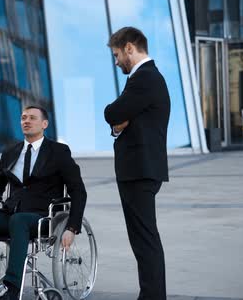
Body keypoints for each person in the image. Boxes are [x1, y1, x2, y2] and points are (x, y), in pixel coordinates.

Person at [0, 106, 87, 300]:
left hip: (43, 217)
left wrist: (72, 227)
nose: (26, 121)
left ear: (44, 124)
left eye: (32, 118)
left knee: (19, 220)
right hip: (11, 214)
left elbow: (78, 190)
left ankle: (12, 289)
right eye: (23, 118)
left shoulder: (58, 151)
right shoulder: (11, 151)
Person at [104, 26, 170, 300]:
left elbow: (113, 112)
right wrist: (119, 124)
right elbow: (120, 120)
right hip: (139, 169)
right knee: (143, 239)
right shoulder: (145, 79)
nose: (117, 60)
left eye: (117, 54)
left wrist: (116, 118)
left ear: (130, 47)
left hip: (140, 170)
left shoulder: (144, 78)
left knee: (144, 240)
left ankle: (152, 296)